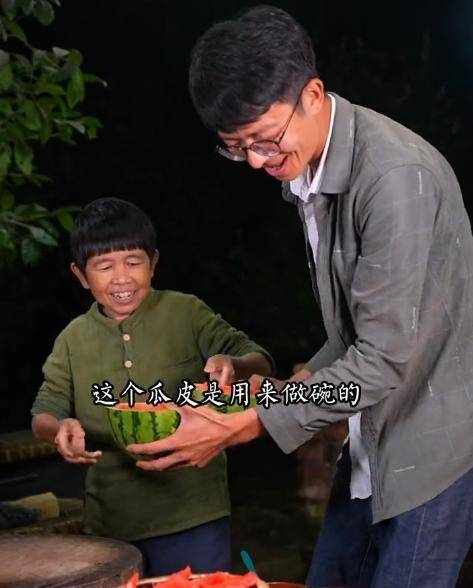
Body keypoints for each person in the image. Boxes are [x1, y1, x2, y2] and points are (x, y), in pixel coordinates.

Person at [126, 6, 473, 587]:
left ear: (312, 94)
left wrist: (249, 424)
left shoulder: (392, 180)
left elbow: (383, 359)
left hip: (432, 450)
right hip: (371, 439)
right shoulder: (310, 167)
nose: (256, 162)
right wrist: (266, 385)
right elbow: (357, 332)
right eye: (236, 147)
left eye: (264, 140)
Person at [30, 197, 272, 577]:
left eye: (133, 262)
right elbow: (44, 410)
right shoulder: (72, 339)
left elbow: (258, 359)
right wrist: (58, 428)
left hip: (195, 514)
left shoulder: (186, 312)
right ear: (81, 275)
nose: (121, 278)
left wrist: (234, 364)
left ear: (153, 263)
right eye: (104, 267)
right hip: (111, 524)